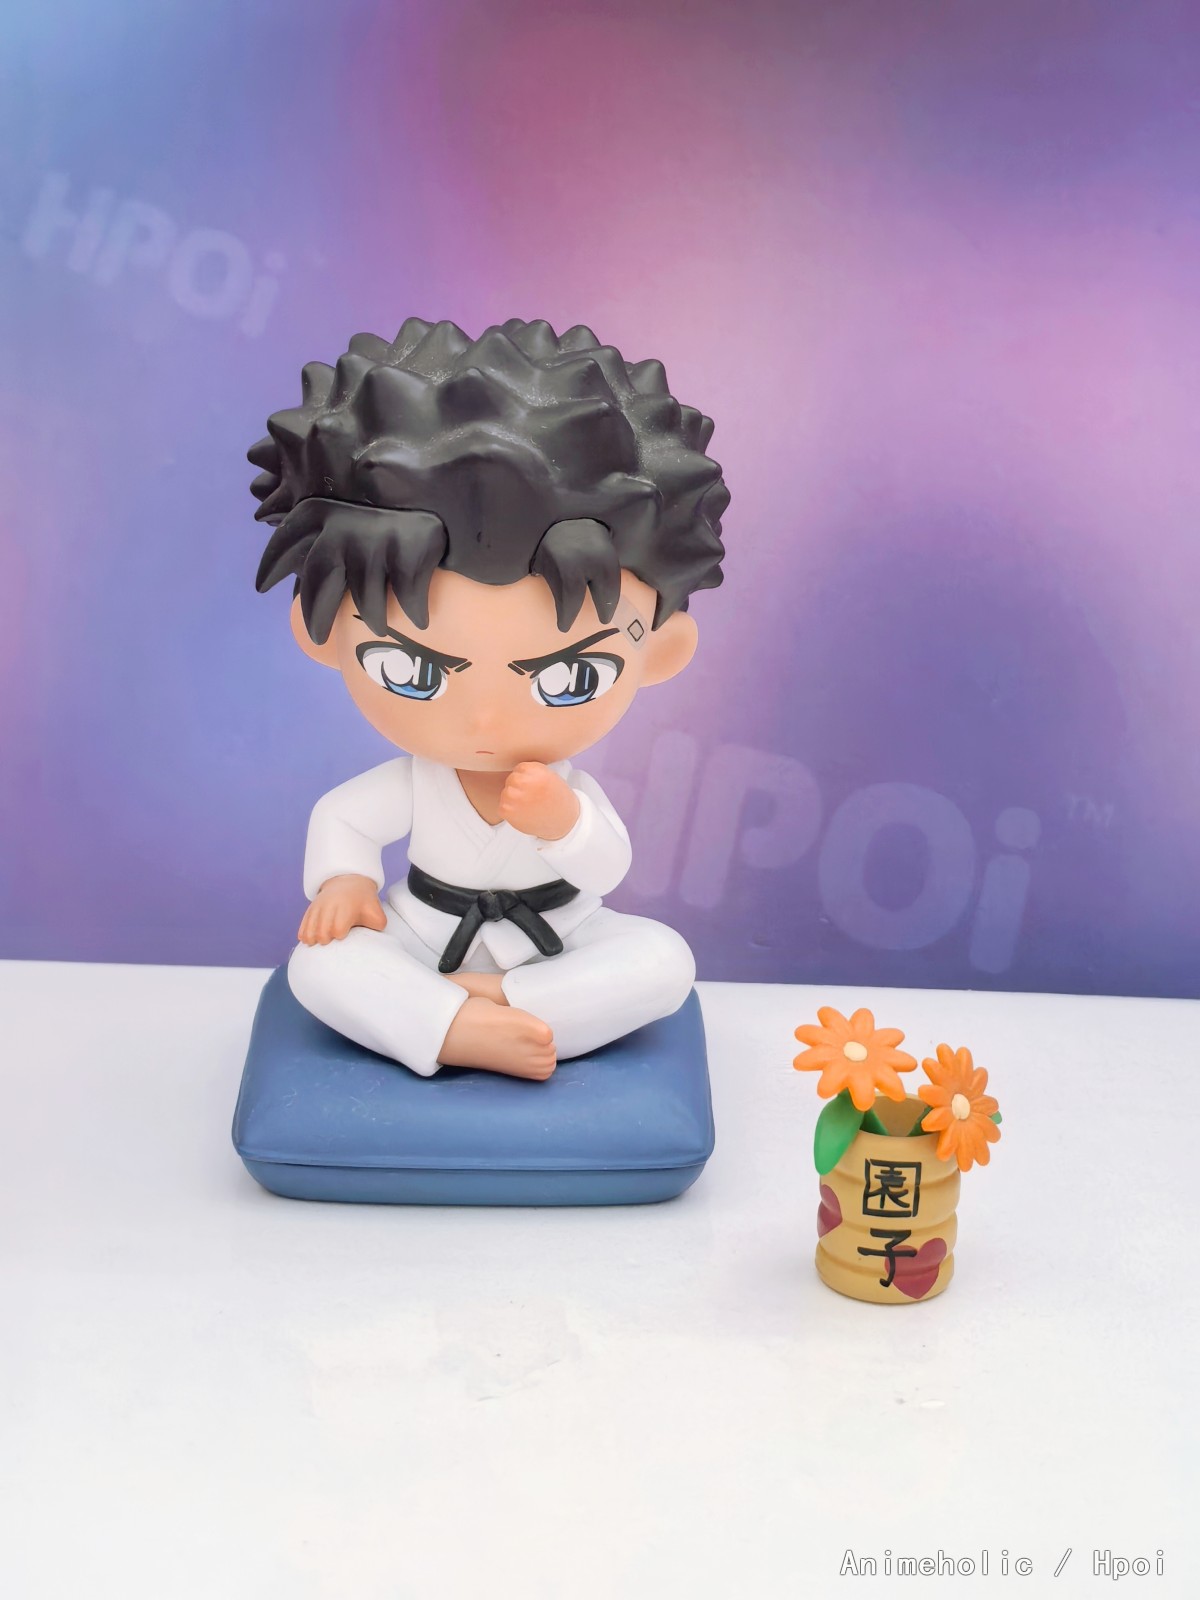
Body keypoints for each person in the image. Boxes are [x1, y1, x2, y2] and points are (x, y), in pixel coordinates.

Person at [250, 317, 730, 1081]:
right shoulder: (417, 783)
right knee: (319, 967)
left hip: (560, 935)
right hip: (421, 930)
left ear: (659, 656)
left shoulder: (569, 792)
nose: (484, 720)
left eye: (567, 677)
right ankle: (465, 1026)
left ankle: (479, 1006)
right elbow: (345, 821)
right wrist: (346, 880)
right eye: (412, 670)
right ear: (326, 635)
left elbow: (606, 869)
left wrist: (564, 824)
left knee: (662, 961)